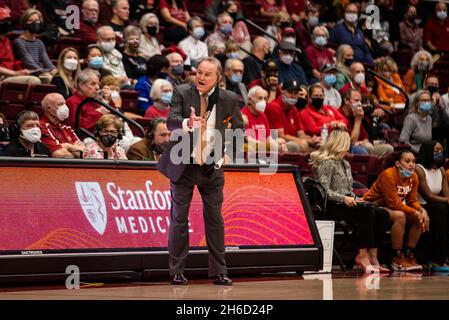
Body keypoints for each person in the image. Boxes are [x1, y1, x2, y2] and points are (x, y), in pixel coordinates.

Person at [156, 56, 244, 286]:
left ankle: (220, 271)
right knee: (179, 219)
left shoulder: (229, 98)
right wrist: (188, 123)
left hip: (211, 168)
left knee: (215, 220)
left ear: (218, 78)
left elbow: (238, 129)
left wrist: (228, 154)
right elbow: (171, 122)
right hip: (183, 165)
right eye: (199, 73)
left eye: (207, 74)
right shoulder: (182, 92)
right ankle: (177, 271)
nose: (201, 78)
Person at [311, 129, 390, 273]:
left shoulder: (345, 164)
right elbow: (324, 192)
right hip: (332, 205)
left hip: (347, 202)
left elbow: (347, 188)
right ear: (340, 143)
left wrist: (355, 198)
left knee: (382, 214)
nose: (349, 145)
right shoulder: (326, 163)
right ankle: (362, 255)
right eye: (347, 142)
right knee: (367, 212)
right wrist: (344, 198)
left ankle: (373, 256)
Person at [363, 150, 429, 272]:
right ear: (398, 164)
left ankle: (408, 256)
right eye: (407, 161)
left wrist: (421, 210)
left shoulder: (413, 176)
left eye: (414, 161)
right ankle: (396, 258)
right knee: (400, 216)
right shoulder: (388, 175)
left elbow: (412, 200)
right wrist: (415, 211)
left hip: (387, 207)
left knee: (418, 218)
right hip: (372, 206)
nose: (412, 164)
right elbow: (393, 203)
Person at [415, 141, 449, 272]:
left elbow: (447, 195)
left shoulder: (441, 170)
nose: (439, 153)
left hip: (436, 206)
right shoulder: (419, 169)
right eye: (436, 150)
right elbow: (428, 196)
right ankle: (436, 259)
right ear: (428, 151)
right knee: (441, 209)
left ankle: (443, 256)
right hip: (421, 206)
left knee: (443, 208)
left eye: (441, 150)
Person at [265, 80, 318, 153]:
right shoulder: (274, 107)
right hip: (277, 142)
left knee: (319, 148)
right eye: (290, 92)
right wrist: (304, 141)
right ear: (282, 91)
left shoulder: (294, 109)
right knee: (303, 145)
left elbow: (301, 135)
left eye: (296, 93)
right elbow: (280, 136)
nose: (293, 96)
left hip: (291, 142)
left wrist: (313, 140)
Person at [340, 88, 394, 157]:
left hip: (363, 145)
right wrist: (358, 120)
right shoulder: (339, 115)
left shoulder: (356, 114)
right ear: (346, 100)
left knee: (389, 149)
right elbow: (350, 142)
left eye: (360, 101)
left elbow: (365, 138)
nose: (359, 104)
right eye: (356, 100)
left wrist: (363, 142)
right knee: (366, 149)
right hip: (348, 148)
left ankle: (374, 164)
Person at [13, 9, 56, 83]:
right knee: (50, 78)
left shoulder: (39, 42)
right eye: (30, 20)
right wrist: (47, 71)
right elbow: (30, 64)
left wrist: (54, 70)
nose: (34, 23)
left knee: (58, 77)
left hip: (40, 72)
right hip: (27, 73)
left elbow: (47, 62)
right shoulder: (19, 42)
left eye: (37, 20)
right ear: (25, 22)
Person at [241, 85, 287, 154]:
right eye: (260, 98)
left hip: (263, 146)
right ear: (250, 100)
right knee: (274, 147)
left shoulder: (263, 115)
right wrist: (267, 145)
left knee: (288, 145)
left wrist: (277, 142)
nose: (263, 102)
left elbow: (268, 137)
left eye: (265, 98)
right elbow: (248, 139)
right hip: (250, 148)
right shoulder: (243, 114)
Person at [0, 7, 40, 85]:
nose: (7, 23)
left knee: (49, 79)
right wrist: (14, 73)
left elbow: (11, 61)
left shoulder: (7, 40)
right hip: (3, 76)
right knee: (34, 80)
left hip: (9, 75)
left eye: (8, 21)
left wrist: (23, 70)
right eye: (3, 21)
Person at [39, 93, 86, 158]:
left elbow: (84, 153)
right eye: (60, 104)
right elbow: (60, 154)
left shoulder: (67, 128)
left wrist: (66, 146)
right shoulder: (41, 127)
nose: (65, 107)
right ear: (49, 109)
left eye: (65, 104)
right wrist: (70, 146)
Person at [65, 69, 107, 135]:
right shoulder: (72, 102)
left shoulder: (93, 100)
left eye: (98, 84)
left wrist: (108, 100)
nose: (98, 87)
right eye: (93, 84)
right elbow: (78, 127)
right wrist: (98, 113)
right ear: (82, 85)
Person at [400, 90, 433, 154]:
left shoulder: (429, 119)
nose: (427, 102)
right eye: (424, 100)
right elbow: (403, 140)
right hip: (413, 154)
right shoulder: (410, 118)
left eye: (429, 100)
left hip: (425, 154)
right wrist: (418, 151)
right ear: (417, 103)